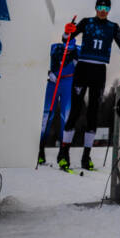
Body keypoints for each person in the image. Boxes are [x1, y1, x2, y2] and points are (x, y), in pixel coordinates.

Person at [56, 0, 120, 171]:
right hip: (83, 68)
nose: (103, 11)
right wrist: (67, 30)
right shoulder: (87, 22)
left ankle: (86, 156)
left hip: (99, 71)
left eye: (106, 9)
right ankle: (64, 153)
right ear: (95, 8)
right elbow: (67, 38)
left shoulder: (113, 27)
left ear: (109, 10)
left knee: (93, 112)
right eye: (100, 8)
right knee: (76, 110)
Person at [37, 35, 79, 165]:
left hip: (68, 82)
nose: (68, 49)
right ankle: (39, 151)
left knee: (66, 117)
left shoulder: (78, 49)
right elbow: (40, 59)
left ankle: (63, 152)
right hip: (53, 81)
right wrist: (48, 71)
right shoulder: (54, 48)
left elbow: (88, 63)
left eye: (70, 46)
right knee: (46, 115)